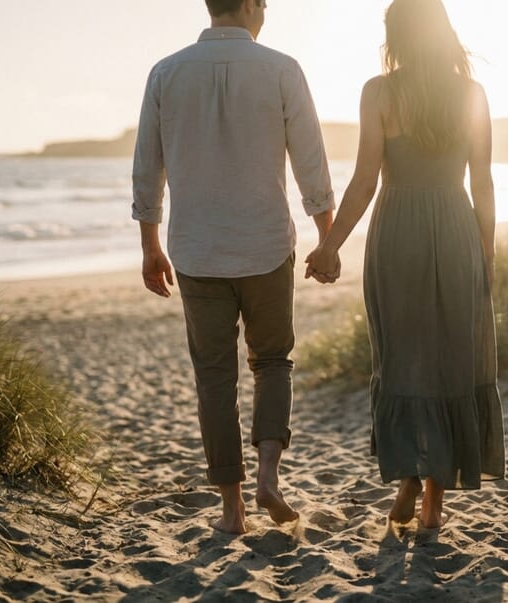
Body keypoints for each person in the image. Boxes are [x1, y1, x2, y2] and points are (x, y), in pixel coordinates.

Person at [132, 0, 337, 534]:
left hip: (196, 251)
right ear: (248, 5)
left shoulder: (165, 72)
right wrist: (326, 237)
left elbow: (146, 166)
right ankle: (269, 474)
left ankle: (233, 508)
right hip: (267, 245)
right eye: (265, 1)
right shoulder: (282, 69)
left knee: (214, 378)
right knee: (272, 362)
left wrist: (149, 243)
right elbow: (310, 160)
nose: (266, 9)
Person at [306, 0, 505, 529]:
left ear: (395, 35)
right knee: (449, 359)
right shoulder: (472, 95)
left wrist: (332, 244)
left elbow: (365, 181)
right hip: (456, 232)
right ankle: (433, 500)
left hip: (397, 235)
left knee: (400, 358)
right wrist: (486, 255)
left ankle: (408, 482)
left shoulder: (379, 92)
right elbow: (482, 184)